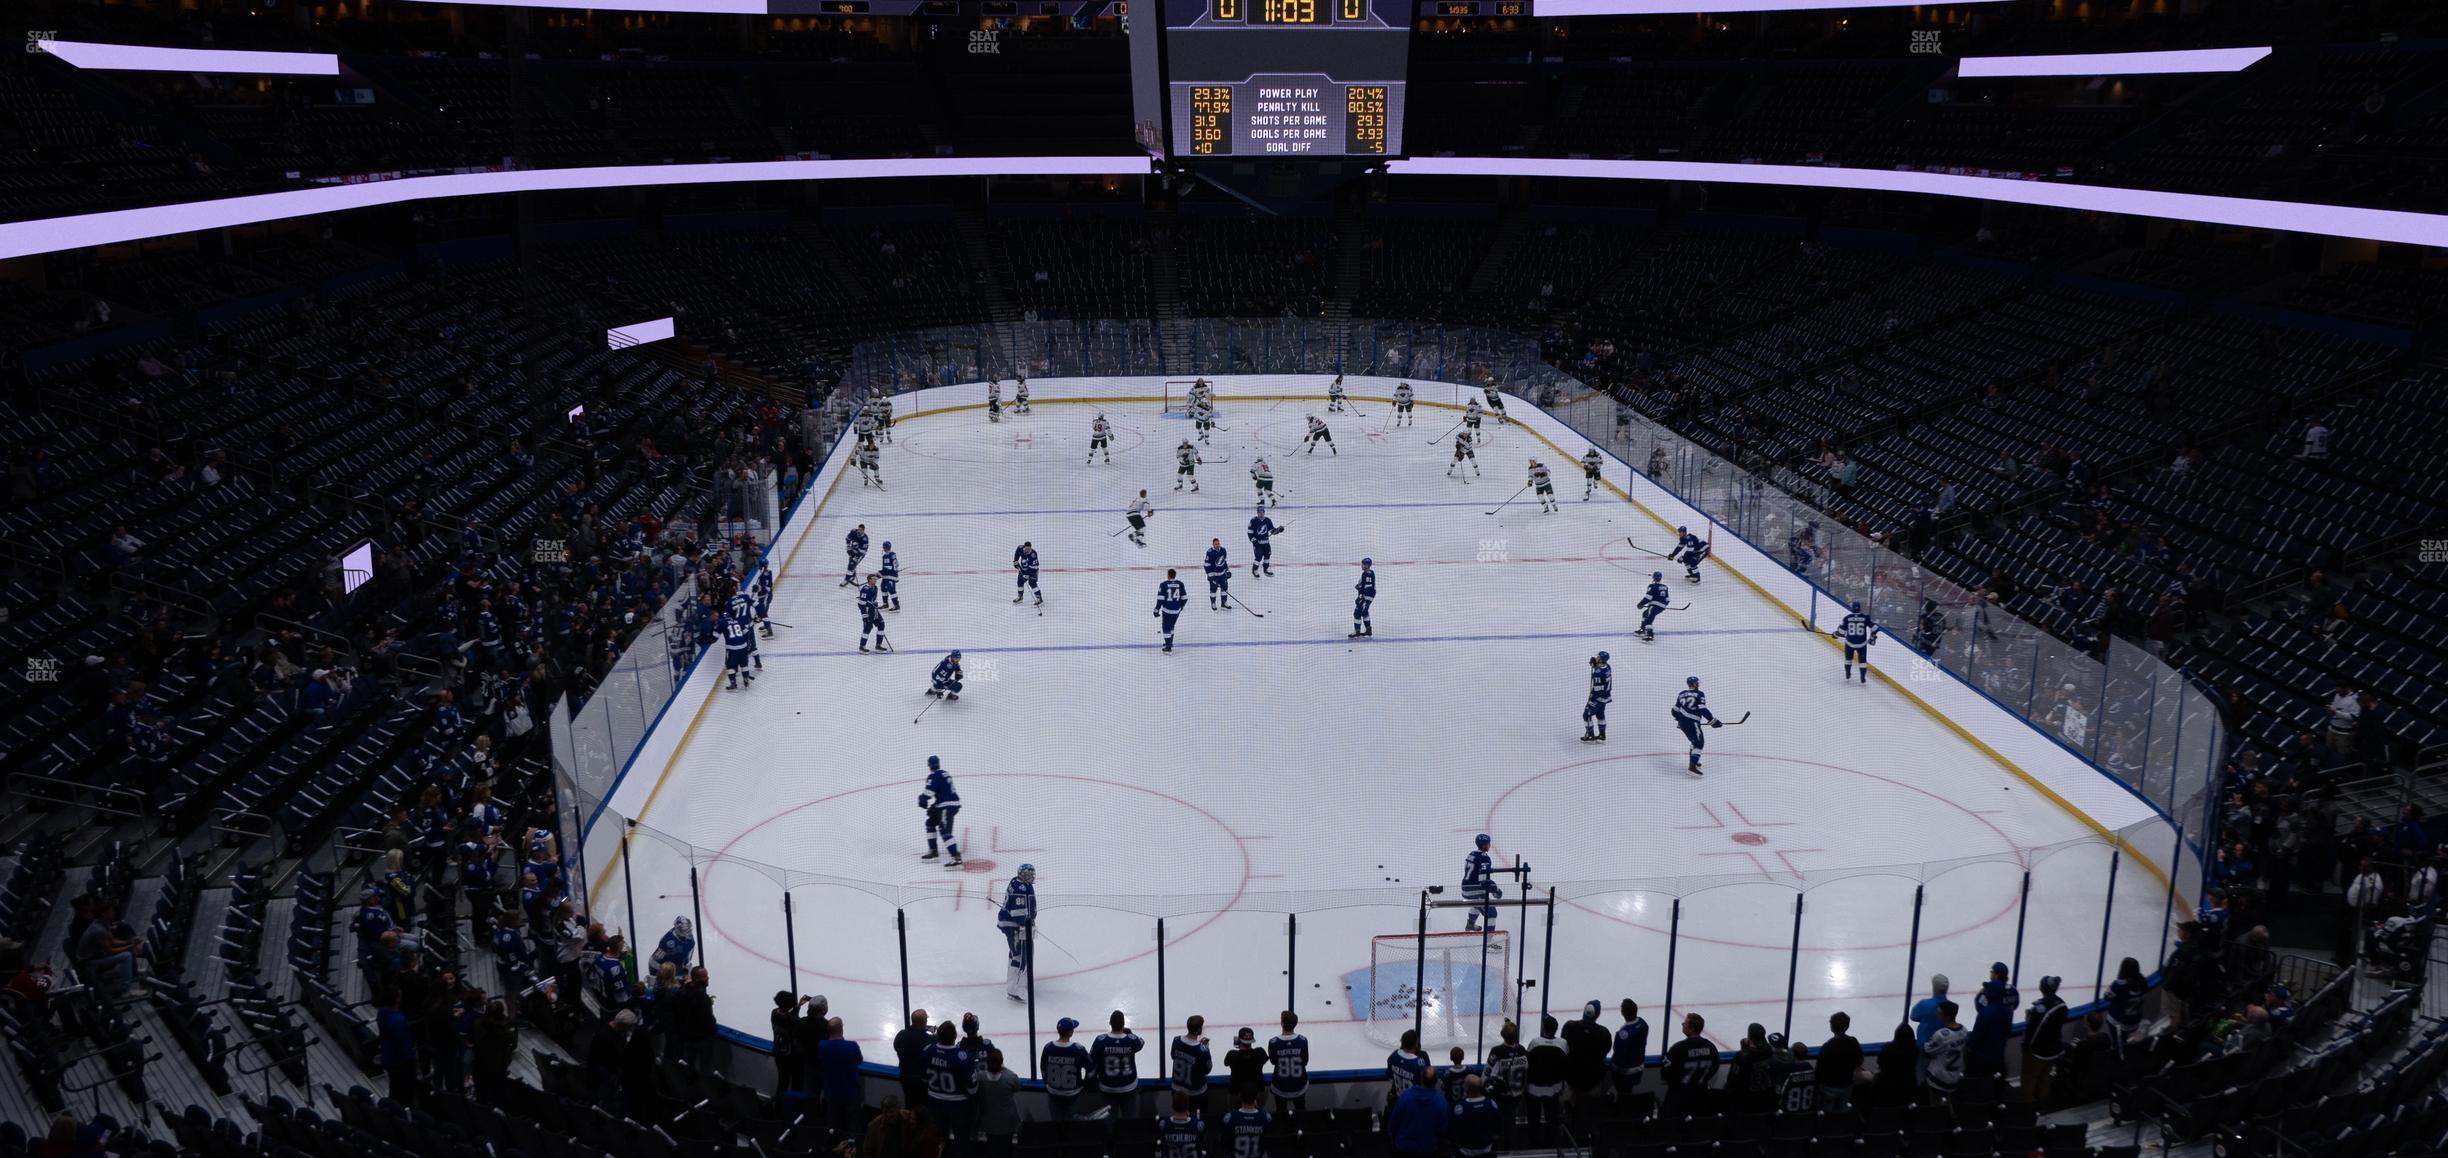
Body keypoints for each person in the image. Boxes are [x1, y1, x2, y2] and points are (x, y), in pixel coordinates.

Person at [924, 1021, 977, 1156]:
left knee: (939, 1138)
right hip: (958, 1105)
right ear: (954, 1037)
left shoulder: (928, 1051)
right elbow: (972, 1088)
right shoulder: (962, 1057)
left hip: (934, 1101)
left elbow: (923, 1077)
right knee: (961, 1140)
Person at [1967, 962, 2017, 1088]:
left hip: (1983, 1054)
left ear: (1996, 974)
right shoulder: (2011, 996)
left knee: (1978, 1083)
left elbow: (1979, 1006)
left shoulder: (1986, 1010)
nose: (1990, 974)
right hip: (1999, 1050)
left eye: (1991, 972)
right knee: (1996, 1083)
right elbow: (2014, 1004)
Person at [1662, 1013, 1718, 1120]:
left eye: (1685, 1023)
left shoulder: (1678, 1049)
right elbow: (1714, 1067)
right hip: (1701, 1097)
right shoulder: (1711, 1047)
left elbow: (1666, 1073)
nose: (1682, 1025)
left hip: (1679, 1099)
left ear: (1692, 1029)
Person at [2023, 976, 2069, 1108]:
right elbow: (2063, 1020)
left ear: (2043, 988)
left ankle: (2028, 1108)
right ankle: (2042, 1105)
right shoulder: (2061, 1004)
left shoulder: (2040, 1008)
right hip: (2054, 1048)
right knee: (2045, 1077)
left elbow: (2034, 1031)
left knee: (2029, 1079)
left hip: (2039, 1051)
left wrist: (2027, 1046)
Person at [1092, 1010, 1146, 1119]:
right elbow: (1141, 1042)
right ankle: (1127, 1135)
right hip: (1128, 1086)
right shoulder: (1132, 1040)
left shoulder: (1100, 1040)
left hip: (1107, 1086)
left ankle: (1110, 1135)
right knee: (1129, 1118)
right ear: (1123, 1024)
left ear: (1110, 1023)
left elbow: (1092, 1057)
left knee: (1109, 1119)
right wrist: (1129, 1034)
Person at [1388, 1063, 1449, 1158]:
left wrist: (1391, 1135)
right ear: (1436, 1081)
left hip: (1404, 1147)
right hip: (1427, 1148)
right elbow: (1443, 1127)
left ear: (1421, 1078)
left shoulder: (1406, 1096)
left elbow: (1394, 1120)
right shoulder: (1441, 1102)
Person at [820, 1017, 865, 1138]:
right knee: (853, 1122)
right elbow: (859, 1060)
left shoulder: (822, 1046)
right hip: (850, 1090)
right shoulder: (851, 1046)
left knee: (833, 1121)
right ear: (841, 1029)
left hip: (831, 1090)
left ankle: (833, 1144)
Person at [1041, 1018, 1089, 1123]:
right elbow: (1090, 1068)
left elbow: (1043, 1069)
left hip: (1053, 1092)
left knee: (1056, 1123)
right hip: (1073, 1094)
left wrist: (1048, 1084)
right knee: (1072, 1123)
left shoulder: (1048, 1048)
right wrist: (1084, 1083)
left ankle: (1058, 1138)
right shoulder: (1078, 1049)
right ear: (1071, 1032)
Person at [977, 1048, 1021, 1158]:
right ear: (1001, 1061)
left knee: (992, 1147)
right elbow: (1017, 1087)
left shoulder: (980, 1077)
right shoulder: (1010, 1077)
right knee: (1006, 1148)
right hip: (1007, 1122)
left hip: (989, 1121)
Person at [1816, 1011, 1862, 1112]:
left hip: (1830, 1087)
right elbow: (1859, 1061)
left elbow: (1819, 1070)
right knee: (1841, 1112)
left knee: (1828, 1114)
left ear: (1832, 1027)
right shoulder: (1853, 1042)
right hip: (1847, 1084)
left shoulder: (1827, 1047)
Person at [1267, 1010, 1311, 1116]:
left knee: (1280, 1113)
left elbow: (1273, 1061)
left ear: (1282, 1023)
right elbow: (1305, 1061)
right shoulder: (1302, 1040)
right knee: (1301, 1111)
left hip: (1280, 1087)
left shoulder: (1274, 1042)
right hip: (1299, 1085)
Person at [1921, 1002, 1966, 1104]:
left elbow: (1926, 1050)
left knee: (1937, 1106)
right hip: (1953, 1078)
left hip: (1938, 1079)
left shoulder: (1941, 1035)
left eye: (1940, 1013)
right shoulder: (1963, 1031)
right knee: (1949, 1103)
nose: (1938, 1015)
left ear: (1947, 1016)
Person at [1450, 1074, 1502, 1158]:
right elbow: (1497, 1129)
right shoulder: (1491, 1104)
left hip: (1465, 1152)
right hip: (1487, 1150)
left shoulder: (1460, 1108)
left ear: (1467, 1088)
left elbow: (1453, 1132)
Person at [1867, 1024, 1918, 1108]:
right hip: (1907, 1088)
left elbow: (1880, 1062)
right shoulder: (1914, 1050)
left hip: (1886, 1088)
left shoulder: (1888, 1048)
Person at [1172, 1014, 1215, 1114]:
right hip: (1196, 1092)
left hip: (1177, 1089)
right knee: (1198, 1119)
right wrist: (1205, 1048)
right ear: (1199, 1030)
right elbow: (1207, 1070)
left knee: (1180, 1115)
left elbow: (1173, 1056)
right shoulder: (1202, 1050)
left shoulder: (1176, 1040)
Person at [894, 1009, 933, 1116]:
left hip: (905, 1077)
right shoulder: (930, 1040)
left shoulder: (901, 1035)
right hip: (923, 1080)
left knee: (910, 1105)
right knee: (924, 1108)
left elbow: (897, 1048)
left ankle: (908, 1129)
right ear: (924, 1022)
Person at [1610, 999, 1649, 1103]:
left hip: (1624, 1073)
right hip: (1638, 1068)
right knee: (1627, 1094)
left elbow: (1618, 1053)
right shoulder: (1643, 1023)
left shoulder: (1623, 1034)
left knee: (1623, 1096)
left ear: (1623, 1012)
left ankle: (1623, 1112)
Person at [1221, 1088, 1272, 1158]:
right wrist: (1259, 1109)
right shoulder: (1265, 1117)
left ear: (1240, 1097)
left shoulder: (1230, 1118)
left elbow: (1223, 1142)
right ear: (1256, 1098)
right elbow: (1268, 1138)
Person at [1223, 1027, 1267, 1105]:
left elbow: (1226, 1063)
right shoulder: (1260, 1053)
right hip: (1257, 1092)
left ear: (1239, 1040)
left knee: (1235, 1115)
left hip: (1236, 1092)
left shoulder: (1232, 1055)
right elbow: (1264, 1059)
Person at [1910, 974, 1950, 1052]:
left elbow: (1913, 1016)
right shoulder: (1951, 1007)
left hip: (1924, 1047)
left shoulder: (1924, 1004)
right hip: (1943, 1048)